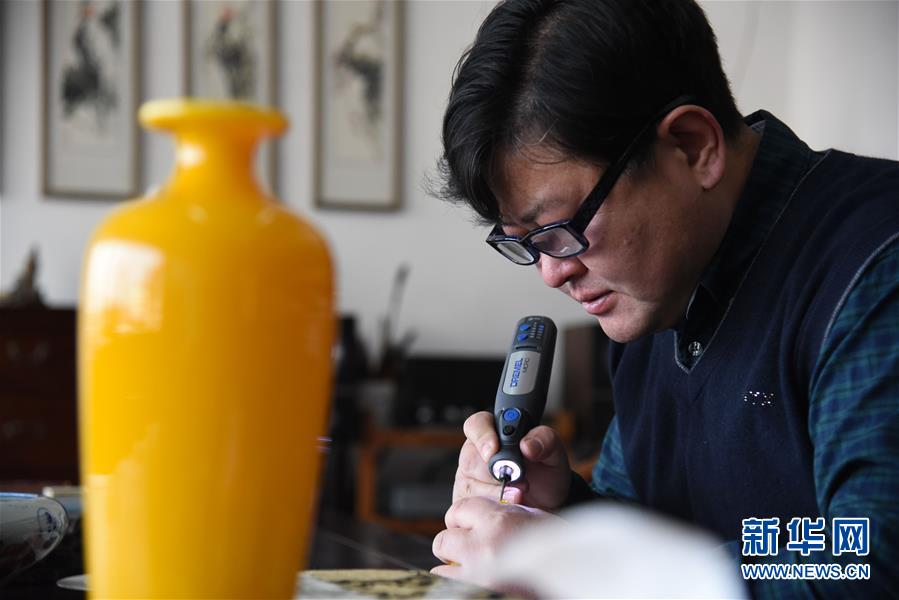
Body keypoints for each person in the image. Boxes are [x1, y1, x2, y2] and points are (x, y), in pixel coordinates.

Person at [429, 0, 899, 596]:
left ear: (693, 146)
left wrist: (588, 569)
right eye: (525, 243)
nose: (552, 272)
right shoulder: (656, 291)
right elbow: (651, 529)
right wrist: (561, 511)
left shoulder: (875, 263)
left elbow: (868, 560)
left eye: (562, 228)